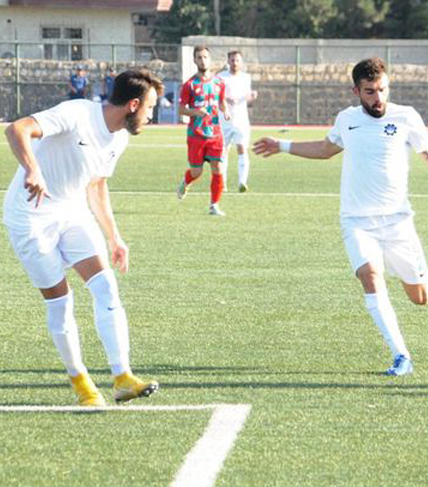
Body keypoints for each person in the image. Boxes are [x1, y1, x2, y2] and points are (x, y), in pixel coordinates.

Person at [254, 57, 428, 376]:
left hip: (397, 222)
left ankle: (404, 269)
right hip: (357, 222)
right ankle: (401, 355)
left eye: (383, 90)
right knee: (370, 275)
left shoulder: (406, 116)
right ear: (356, 91)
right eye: (370, 92)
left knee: (421, 297)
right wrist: (281, 145)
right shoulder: (346, 119)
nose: (378, 98)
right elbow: (326, 149)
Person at [3, 68, 164, 406]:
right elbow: (17, 129)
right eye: (150, 108)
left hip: (72, 212)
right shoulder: (76, 113)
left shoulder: (118, 139)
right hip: (30, 217)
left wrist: (114, 237)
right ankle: (80, 382)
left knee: (106, 286)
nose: (151, 115)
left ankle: (123, 377)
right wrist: (33, 169)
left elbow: (97, 185)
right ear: (133, 105)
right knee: (61, 302)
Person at [176, 46, 230, 216]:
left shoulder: (219, 83)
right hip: (196, 134)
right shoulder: (189, 85)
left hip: (215, 134)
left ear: (210, 59)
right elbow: (181, 109)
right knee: (196, 172)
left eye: (205, 57)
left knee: (218, 169)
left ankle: (214, 205)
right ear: (195, 60)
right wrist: (195, 112)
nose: (203, 60)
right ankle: (186, 182)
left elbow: (221, 101)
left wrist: (226, 111)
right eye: (199, 57)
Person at [217, 51, 258, 192]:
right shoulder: (221, 77)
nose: (235, 63)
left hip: (241, 121)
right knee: (223, 151)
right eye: (232, 60)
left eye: (237, 60)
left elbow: (247, 96)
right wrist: (225, 99)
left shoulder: (246, 77)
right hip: (224, 120)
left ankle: (242, 182)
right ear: (228, 61)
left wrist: (252, 96)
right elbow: (215, 94)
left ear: (241, 62)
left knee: (242, 148)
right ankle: (222, 183)